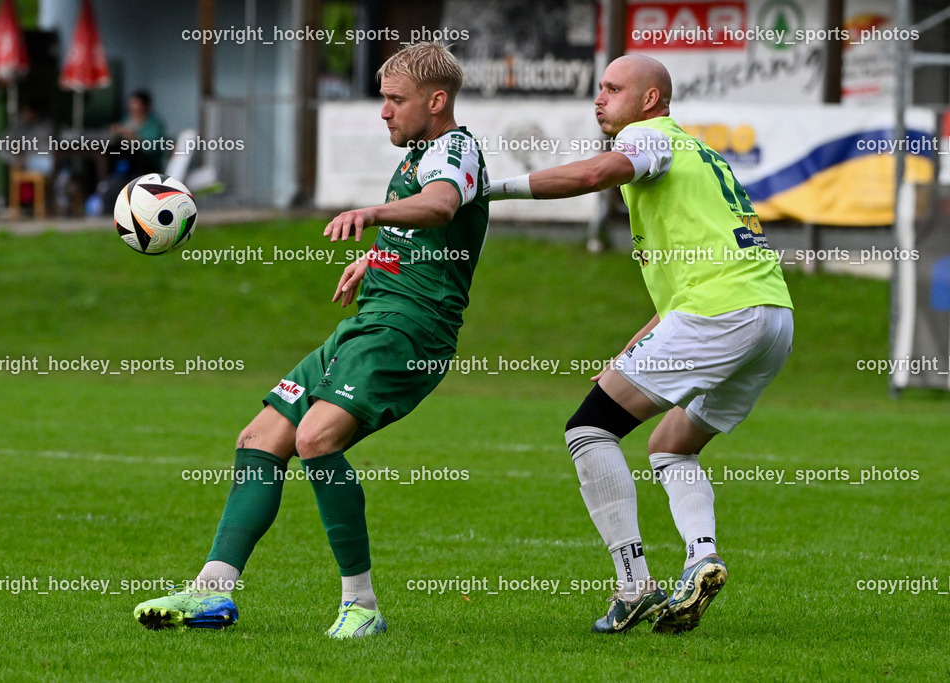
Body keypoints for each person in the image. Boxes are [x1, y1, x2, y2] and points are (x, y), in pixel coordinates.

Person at [133, 42, 489, 638]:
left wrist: (371, 216)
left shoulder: (455, 148)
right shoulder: (420, 154)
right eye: (382, 99)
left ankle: (362, 607)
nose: (384, 111)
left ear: (436, 101)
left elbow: (441, 205)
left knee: (316, 438)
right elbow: (426, 234)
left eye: (395, 100)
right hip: (372, 320)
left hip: (410, 330)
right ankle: (213, 592)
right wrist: (375, 259)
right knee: (259, 438)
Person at [489, 54, 793, 635]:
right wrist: (628, 351)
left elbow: (592, 176)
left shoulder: (649, 137)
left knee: (589, 429)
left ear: (650, 99)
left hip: (719, 315)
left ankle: (634, 586)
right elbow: (680, 295)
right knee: (672, 446)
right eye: (599, 88)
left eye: (612, 88)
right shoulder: (699, 152)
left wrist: (490, 191)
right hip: (771, 317)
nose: (599, 98)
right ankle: (701, 557)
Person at [110, 90, 166, 174]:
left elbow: (150, 147)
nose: (133, 107)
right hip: (124, 155)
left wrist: (130, 135)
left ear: (145, 106)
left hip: (145, 161)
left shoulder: (153, 124)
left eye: (136, 103)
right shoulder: (127, 119)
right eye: (131, 103)